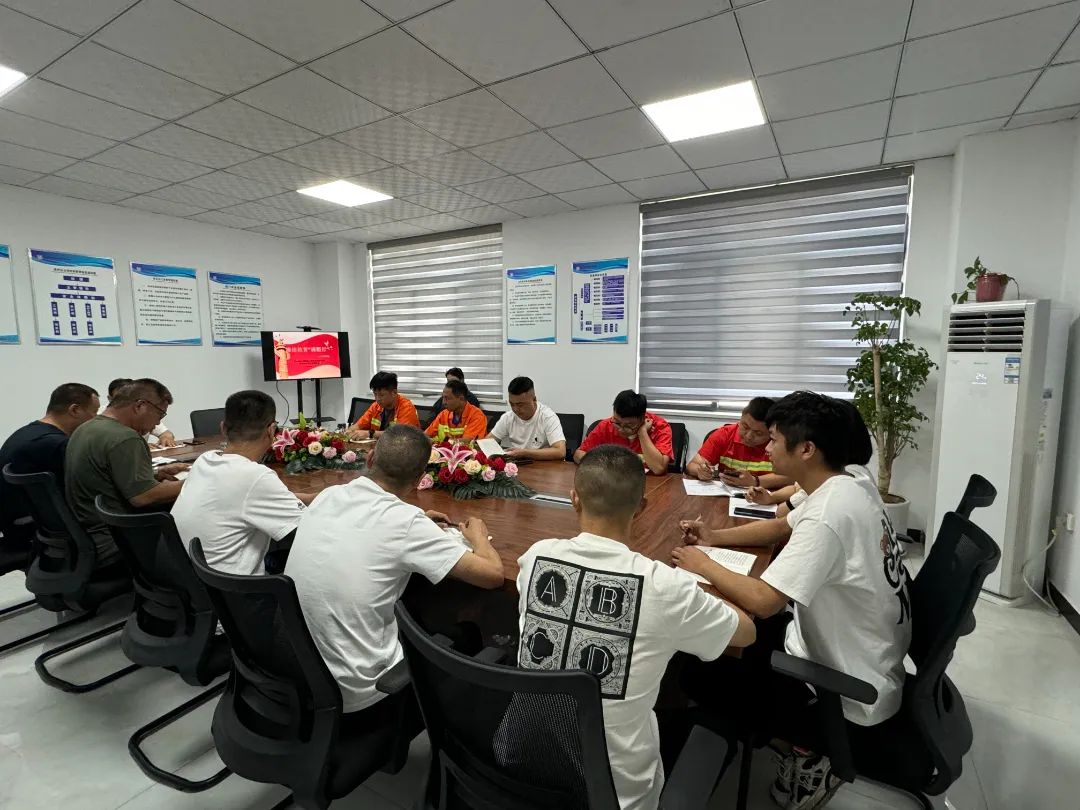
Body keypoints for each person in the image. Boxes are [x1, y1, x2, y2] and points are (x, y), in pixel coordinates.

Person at [671, 392, 911, 810]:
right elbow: (781, 528)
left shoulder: (829, 514)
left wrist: (702, 563)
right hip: (862, 650)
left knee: (698, 670)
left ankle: (808, 751)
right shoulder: (850, 483)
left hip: (842, 685)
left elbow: (764, 600)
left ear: (806, 449)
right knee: (726, 643)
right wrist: (713, 538)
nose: (766, 447)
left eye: (775, 439)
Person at [516, 445, 755, 810]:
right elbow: (746, 633)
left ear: (574, 499)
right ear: (641, 508)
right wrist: (702, 577)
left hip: (527, 767)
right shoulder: (664, 585)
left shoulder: (536, 556)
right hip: (618, 793)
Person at [286, 424, 504, 719]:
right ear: (419, 479)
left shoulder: (330, 496)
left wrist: (417, 521)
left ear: (370, 458)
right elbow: (492, 575)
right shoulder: (406, 523)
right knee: (465, 635)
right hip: (362, 693)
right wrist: (478, 538)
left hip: (295, 672)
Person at [173, 390, 314, 576]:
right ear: (271, 430)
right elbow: (310, 530)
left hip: (189, 578)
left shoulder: (205, 460)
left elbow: (243, 497)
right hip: (230, 587)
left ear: (223, 428)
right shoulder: (256, 476)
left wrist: (308, 498)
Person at [66, 378, 189, 568]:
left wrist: (154, 474)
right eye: (160, 414)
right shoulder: (125, 437)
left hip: (88, 534)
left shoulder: (86, 428)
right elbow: (143, 497)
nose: (158, 422)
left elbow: (106, 477)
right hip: (117, 539)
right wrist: (197, 481)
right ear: (140, 406)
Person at [0, 383, 100, 552]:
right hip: (35, 530)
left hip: (18, 525)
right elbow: (89, 490)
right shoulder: (55, 445)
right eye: (94, 412)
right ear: (75, 410)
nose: (95, 419)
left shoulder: (27, 433)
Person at [686, 397, 789, 489]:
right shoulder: (724, 435)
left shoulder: (780, 443)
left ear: (771, 431)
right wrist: (701, 471)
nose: (748, 436)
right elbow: (692, 465)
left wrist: (755, 481)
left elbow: (791, 477)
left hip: (768, 497)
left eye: (758, 433)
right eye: (745, 427)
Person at [574, 390, 672, 475]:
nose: (621, 429)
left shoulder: (660, 427)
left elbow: (659, 469)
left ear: (642, 418)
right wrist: (604, 465)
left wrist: (642, 433)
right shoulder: (606, 425)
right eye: (617, 423)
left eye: (629, 425)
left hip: (650, 482)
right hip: (613, 480)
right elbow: (579, 455)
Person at [488, 376, 566, 460]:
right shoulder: (508, 417)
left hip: (544, 464)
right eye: (512, 404)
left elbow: (560, 452)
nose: (515, 409)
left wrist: (524, 453)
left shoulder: (547, 417)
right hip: (518, 463)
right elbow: (487, 442)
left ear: (534, 399)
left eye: (520, 405)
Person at [346, 371, 420, 440]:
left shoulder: (406, 407)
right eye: (375, 394)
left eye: (381, 395)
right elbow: (358, 425)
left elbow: (399, 434)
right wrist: (350, 431)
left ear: (394, 392)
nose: (377, 399)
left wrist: (370, 434)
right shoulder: (376, 406)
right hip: (380, 446)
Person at [108, 377, 179, 447]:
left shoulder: (145, 414)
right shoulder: (106, 418)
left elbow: (166, 433)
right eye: (119, 398)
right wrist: (139, 446)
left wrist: (165, 438)